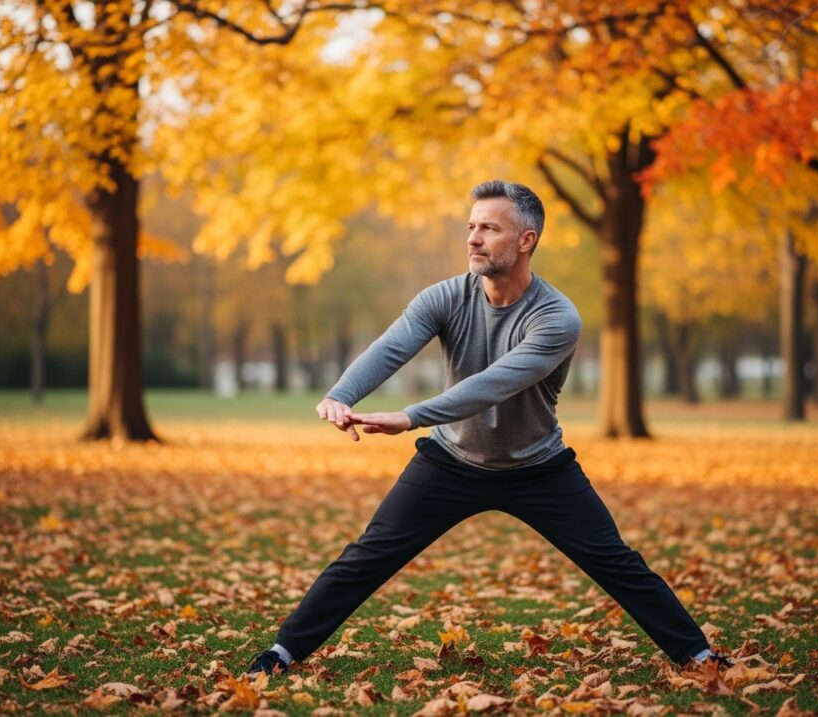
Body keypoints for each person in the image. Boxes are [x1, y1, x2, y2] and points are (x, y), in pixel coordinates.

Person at [245, 180, 728, 677]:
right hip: (452, 462)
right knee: (366, 556)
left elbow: (494, 384)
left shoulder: (557, 317)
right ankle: (283, 652)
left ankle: (699, 654)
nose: (474, 238)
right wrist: (340, 395)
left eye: (490, 228)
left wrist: (411, 416)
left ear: (526, 241)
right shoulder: (446, 297)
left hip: (538, 468)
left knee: (617, 562)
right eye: (471, 227)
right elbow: (392, 347)